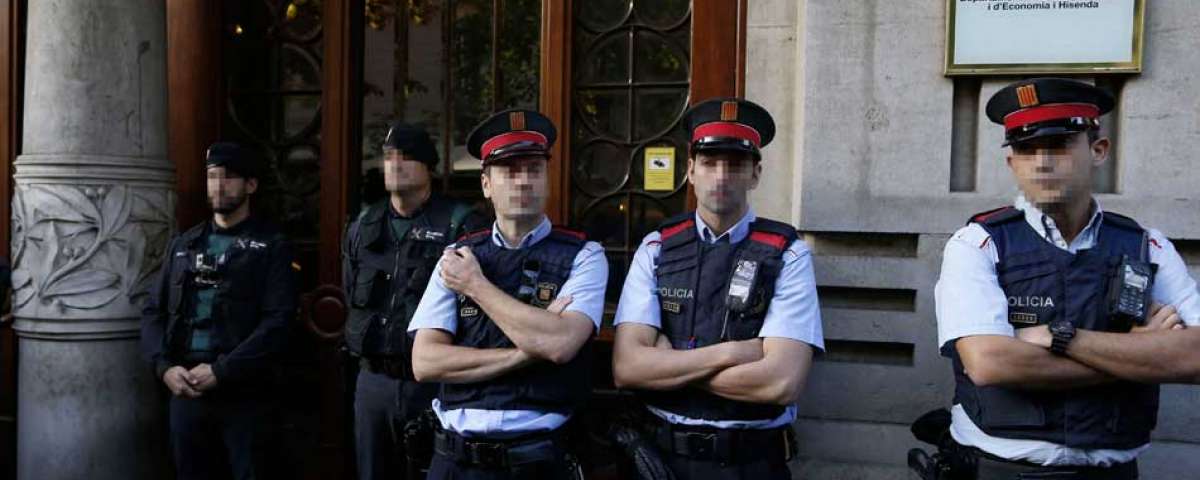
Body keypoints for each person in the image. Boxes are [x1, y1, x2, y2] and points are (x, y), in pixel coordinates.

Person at [934, 77, 1200, 479]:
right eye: (1025, 149)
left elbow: (1194, 357)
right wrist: (1140, 355)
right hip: (1003, 471)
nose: (1041, 162)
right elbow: (989, 363)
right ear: (1011, 162)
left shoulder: (1149, 246)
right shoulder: (977, 244)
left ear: (1098, 150)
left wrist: (1064, 338)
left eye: (1059, 144)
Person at [610, 97, 824, 480]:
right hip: (663, 462)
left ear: (755, 174)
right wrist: (734, 352)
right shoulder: (657, 247)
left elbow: (780, 381)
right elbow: (627, 368)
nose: (721, 177)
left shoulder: (787, 253)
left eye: (735, 164)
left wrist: (669, 364)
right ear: (690, 171)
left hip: (751, 464)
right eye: (709, 164)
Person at [407, 109, 608, 479]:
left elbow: (560, 345)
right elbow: (426, 362)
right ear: (486, 184)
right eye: (509, 171)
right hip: (455, 461)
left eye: (533, 169)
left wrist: (475, 286)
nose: (522, 182)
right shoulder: (458, 256)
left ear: (547, 179)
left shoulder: (585, 255)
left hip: (537, 461)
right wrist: (525, 353)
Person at [141, 141, 298, 480]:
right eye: (212, 176)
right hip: (186, 391)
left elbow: (278, 323)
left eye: (228, 177)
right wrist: (164, 368)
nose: (218, 185)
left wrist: (223, 371)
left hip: (245, 395)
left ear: (251, 186)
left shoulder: (271, 246)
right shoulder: (184, 245)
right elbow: (153, 311)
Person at [343, 122, 480, 480]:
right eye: (389, 157)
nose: (395, 164)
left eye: (407, 157)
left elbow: (473, 309)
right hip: (374, 382)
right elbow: (350, 291)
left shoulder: (458, 223)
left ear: (429, 167)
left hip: (433, 383)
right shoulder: (363, 224)